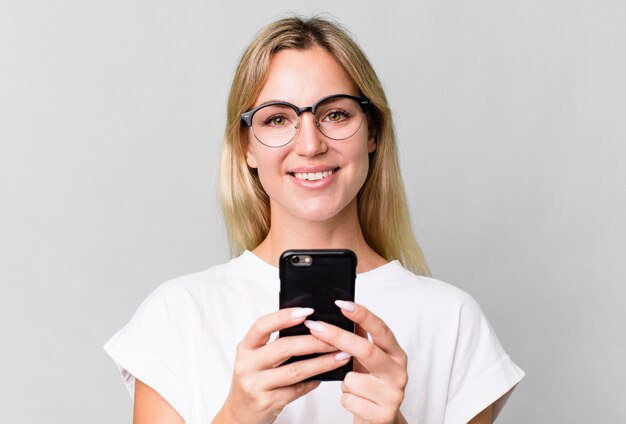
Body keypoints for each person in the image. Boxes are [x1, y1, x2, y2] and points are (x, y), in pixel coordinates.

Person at [104, 16, 525, 424]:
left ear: (372, 132)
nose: (309, 144)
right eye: (277, 118)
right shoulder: (177, 315)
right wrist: (237, 418)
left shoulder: (450, 320)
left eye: (335, 114)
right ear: (247, 148)